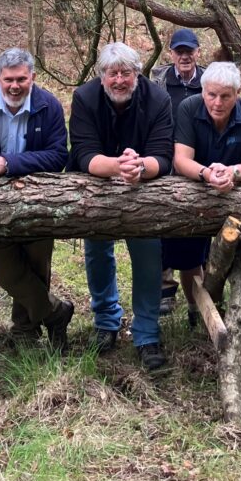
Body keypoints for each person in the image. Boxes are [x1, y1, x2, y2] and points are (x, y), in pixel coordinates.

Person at [0, 48, 74, 350]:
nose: (15, 86)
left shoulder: (48, 105)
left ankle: (24, 333)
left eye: (22, 79)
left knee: (36, 266)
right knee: (7, 270)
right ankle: (56, 313)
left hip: (38, 199)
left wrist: (9, 164)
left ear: (32, 77)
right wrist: (2, 165)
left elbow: (58, 155)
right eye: (8, 79)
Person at [68, 42, 173, 371]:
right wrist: (117, 166)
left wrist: (140, 168)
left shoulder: (159, 99)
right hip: (97, 188)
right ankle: (106, 321)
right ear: (101, 77)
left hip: (144, 191)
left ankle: (146, 333)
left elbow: (164, 157)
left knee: (147, 256)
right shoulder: (84, 98)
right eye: (112, 74)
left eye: (126, 73)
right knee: (97, 253)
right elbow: (83, 155)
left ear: (137, 75)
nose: (119, 80)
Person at [169, 62, 241, 323]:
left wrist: (232, 173)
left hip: (237, 198)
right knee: (189, 256)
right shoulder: (188, 108)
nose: (217, 102)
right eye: (211, 95)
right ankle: (196, 311)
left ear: (237, 94)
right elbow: (181, 160)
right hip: (194, 193)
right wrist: (207, 174)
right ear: (202, 92)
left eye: (225, 96)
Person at [152, 28, 206, 316]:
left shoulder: (209, 79)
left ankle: (198, 289)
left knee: (193, 225)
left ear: (198, 52)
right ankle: (164, 287)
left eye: (189, 51)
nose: (184, 56)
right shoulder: (157, 81)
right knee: (162, 223)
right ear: (170, 53)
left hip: (200, 160)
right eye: (179, 51)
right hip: (163, 159)